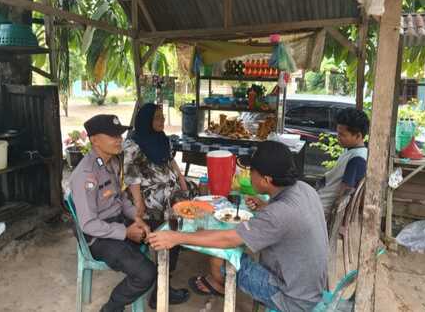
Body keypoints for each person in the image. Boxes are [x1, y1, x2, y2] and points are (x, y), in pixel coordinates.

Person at [148, 141, 329, 312]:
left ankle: (218, 285)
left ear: (266, 179)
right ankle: (219, 283)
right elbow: (289, 219)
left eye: (252, 172)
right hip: (311, 287)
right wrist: (265, 207)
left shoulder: (278, 214)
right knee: (230, 252)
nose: (249, 175)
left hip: (292, 299)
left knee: (219, 260)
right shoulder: (305, 188)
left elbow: (229, 239)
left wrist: (177, 237)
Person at [68, 114, 187, 312]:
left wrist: (137, 217)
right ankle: (111, 308)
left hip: (121, 222)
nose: (119, 140)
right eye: (113, 136)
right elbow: (88, 224)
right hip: (99, 237)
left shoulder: (113, 162)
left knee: (170, 235)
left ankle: (160, 292)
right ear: (94, 140)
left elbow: (120, 199)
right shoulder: (85, 175)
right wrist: (125, 233)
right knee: (145, 273)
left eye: (120, 135)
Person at [123, 103, 193, 308]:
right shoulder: (132, 145)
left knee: (187, 215)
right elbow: (131, 178)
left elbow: (171, 162)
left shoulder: (162, 138)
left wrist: (182, 183)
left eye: (162, 116)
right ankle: (160, 291)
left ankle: (166, 275)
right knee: (174, 228)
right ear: (146, 120)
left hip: (169, 194)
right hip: (150, 199)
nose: (162, 120)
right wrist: (139, 206)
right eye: (157, 118)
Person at [316, 108, 369, 218]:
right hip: (318, 202)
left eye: (342, 134)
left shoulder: (357, 159)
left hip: (321, 209)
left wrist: (332, 216)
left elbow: (344, 194)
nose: (338, 137)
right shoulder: (351, 151)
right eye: (338, 133)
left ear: (358, 136)